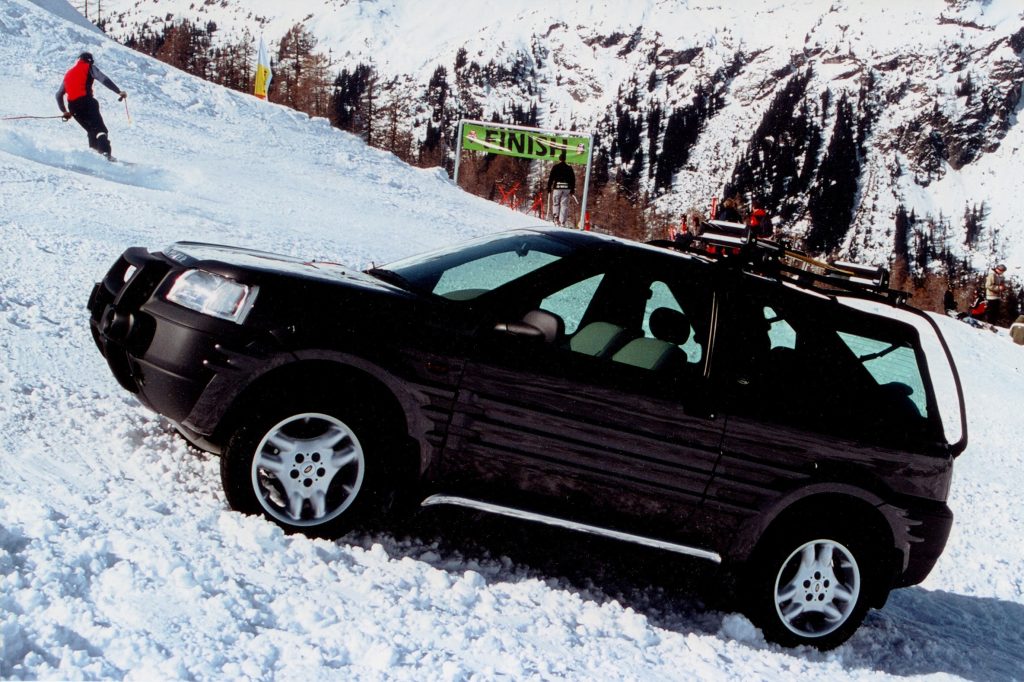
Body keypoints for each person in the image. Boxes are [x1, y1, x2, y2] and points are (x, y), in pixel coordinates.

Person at [56, 52, 127, 159]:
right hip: (87, 103)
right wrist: (118, 91)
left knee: (91, 130)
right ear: (90, 60)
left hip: (73, 107)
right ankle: (105, 154)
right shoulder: (88, 67)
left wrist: (64, 111)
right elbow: (103, 79)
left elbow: (58, 94)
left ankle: (94, 155)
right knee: (100, 129)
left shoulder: (68, 73)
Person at [547, 151, 576, 227]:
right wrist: (572, 189)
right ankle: (562, 221)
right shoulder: (569, 168)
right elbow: (573, 179)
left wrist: (549, 187)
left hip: (557, 188)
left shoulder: (555, 167)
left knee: (556, 203)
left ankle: (556, 219)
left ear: (559, 159)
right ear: (565, 159)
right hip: (566, 188)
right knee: (564, 205)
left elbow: (551, 178)